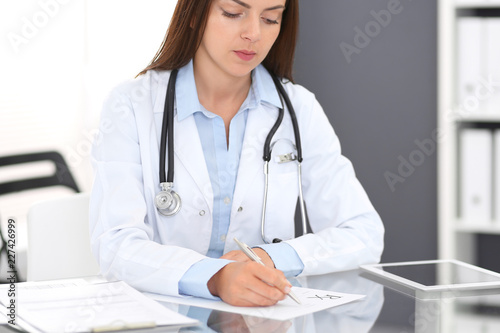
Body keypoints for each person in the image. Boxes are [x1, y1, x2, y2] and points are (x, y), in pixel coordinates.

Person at [90, 0, 384, 307]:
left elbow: (363, 233)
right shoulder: (130, 105)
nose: (253, 34)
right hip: (164, 316)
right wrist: (214, 277)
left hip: (264, 320)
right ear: (193, 14)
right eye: (233, 13)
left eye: (271, 18)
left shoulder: (299, 108)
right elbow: (115, 244)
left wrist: (270, 257)